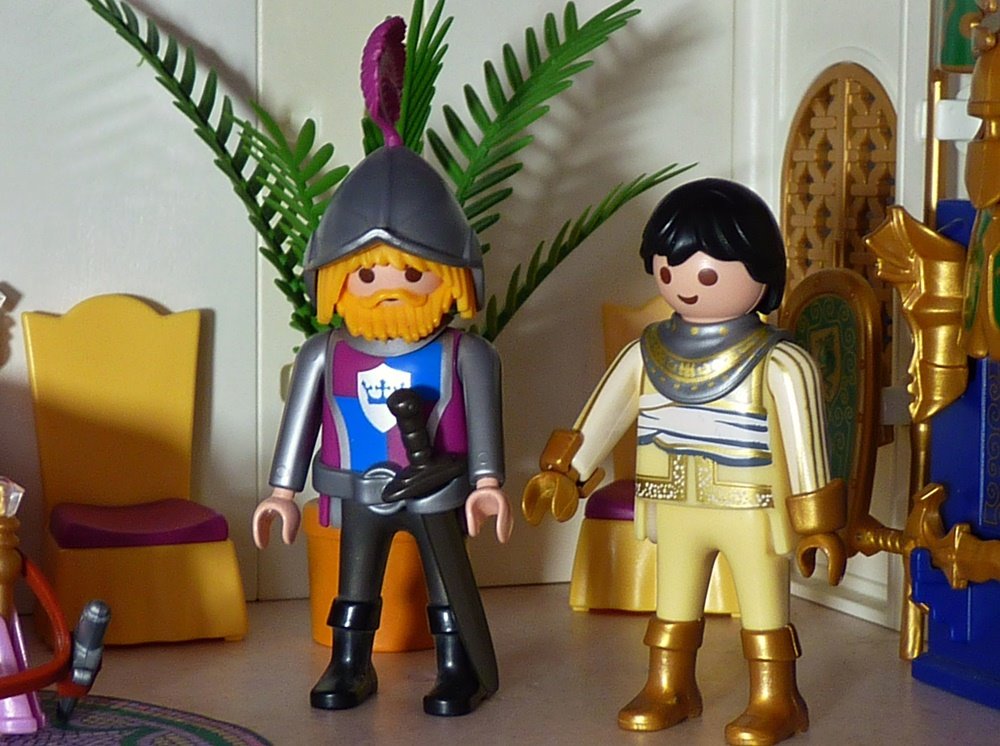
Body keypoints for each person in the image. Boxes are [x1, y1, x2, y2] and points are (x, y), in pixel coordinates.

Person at [523, 178, 846, 745]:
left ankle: (777, 698)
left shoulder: (780, 360)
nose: (686, 287)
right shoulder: (645, 353)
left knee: (763, 606)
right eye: (669, 272)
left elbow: (806, 443)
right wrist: (564, 473)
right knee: (672, 601)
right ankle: (669, 686)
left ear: (762, 272)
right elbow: (602, 415)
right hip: (673, 501)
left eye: (707, 274)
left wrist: (819, 522)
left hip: (752, 505)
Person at [253, 144, 511, 717]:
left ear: (453, 276)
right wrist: (281, 493)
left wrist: (488, 484)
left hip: (437, 493)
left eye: (414, 272)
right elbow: (300, 424)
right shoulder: (324, 353)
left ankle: (456, 669)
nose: (388, 287)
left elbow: (484, 426)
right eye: (366, 274)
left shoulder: (465, 354)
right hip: (358, 492)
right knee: (354, 586)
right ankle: (349, 663)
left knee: (446, 586)